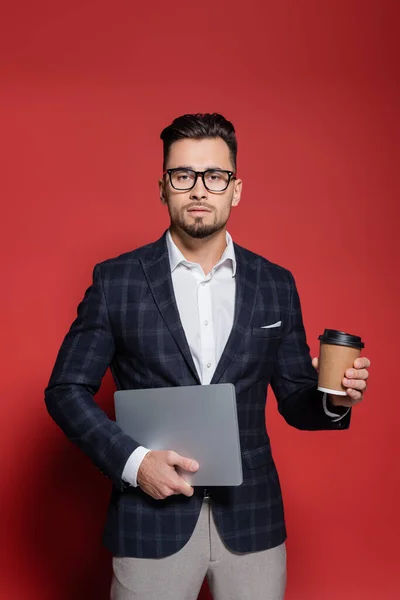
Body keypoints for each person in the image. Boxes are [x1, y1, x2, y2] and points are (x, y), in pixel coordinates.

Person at [45, 113, 370, 600]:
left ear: (235, 189)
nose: (199, 189)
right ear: (163, 188)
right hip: (150, 522)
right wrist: (135, 464)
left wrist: (335, 399)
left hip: (252, 522)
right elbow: (65, 391)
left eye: (214, 176)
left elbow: (296, 399)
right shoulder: (117, 281)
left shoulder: (275, 284)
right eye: (183, 176)